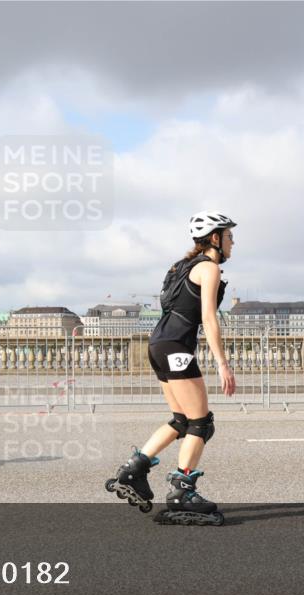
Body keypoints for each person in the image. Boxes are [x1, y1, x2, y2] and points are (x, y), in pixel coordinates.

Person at [106, 210, 237, 524]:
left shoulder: (179, 267)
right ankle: (182, 489)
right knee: (201, 423)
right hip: (177, 346)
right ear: (215, 238)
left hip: (158, 345)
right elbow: (208, 317)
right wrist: (222, 362)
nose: (234, 242)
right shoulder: (209, 268)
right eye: (230, 236)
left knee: (181, 419)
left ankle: (133, 470)